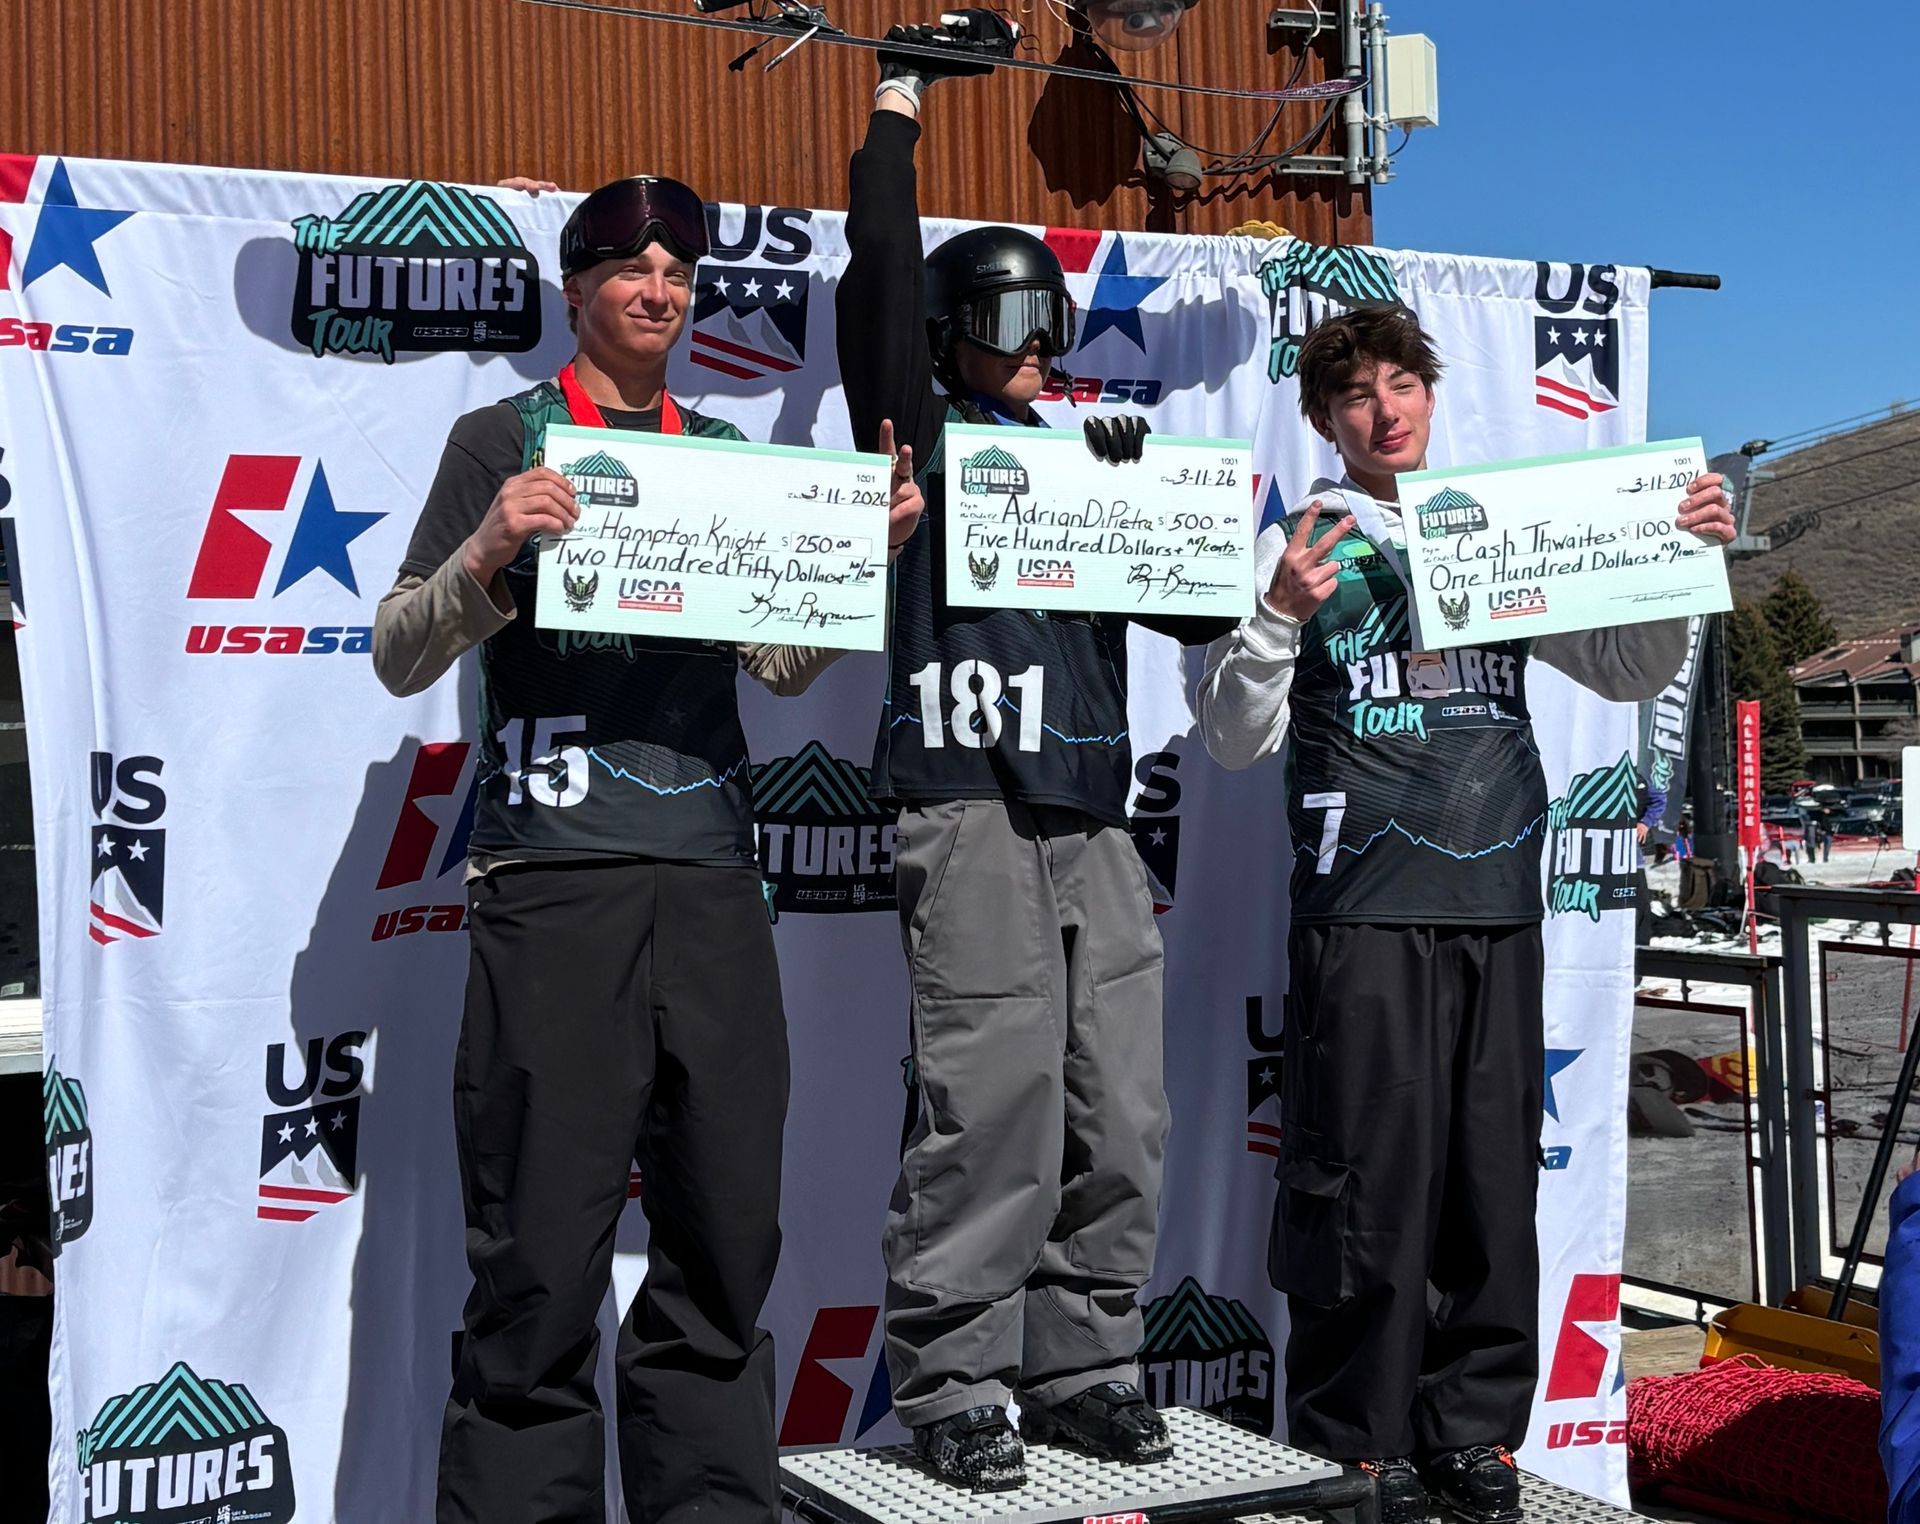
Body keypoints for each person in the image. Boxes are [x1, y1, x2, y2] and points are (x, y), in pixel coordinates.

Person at [371, 174, 922, 1524]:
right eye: (631, 270)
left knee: (724, 1242)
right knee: (539, 1259)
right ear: (576, 291)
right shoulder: (503, 438)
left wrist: (861, 559)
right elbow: (398, 652)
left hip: (715, 888)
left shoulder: (716, 452)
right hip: (553, 886)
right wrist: (488, 548)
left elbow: (777, 666)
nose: (659, 293)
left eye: (678, 275)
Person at [1196, 306, 1735, 1524]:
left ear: (1431, 397)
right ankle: (1354, 1443)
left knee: (1490, 1184)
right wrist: (1278, 616)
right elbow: (1230, 738)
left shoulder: (1494, 527)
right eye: (1355, 395)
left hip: (1497, 904)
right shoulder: (1295, 541)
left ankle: (1471, 1433)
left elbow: (1628, 668)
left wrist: (1677, 566)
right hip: (1363, 910)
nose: (1384, 410)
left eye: (1403, 384)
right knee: (1364, 1186)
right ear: (1322, 418)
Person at [833, 19, 1233, 1491]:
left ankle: (1085, 1365)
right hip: (967, 803)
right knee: (989, 1101)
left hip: (1093, 815)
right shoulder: (919, 441)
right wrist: (898, 107)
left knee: (1121, 1106)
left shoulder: (1087, 459)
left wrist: (1169, 516)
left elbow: (1199, 606)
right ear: (951, 334)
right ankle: (954, 1381)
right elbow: (880, 279)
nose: (1035, 352)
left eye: (1049, 327)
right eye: (1005, 324)